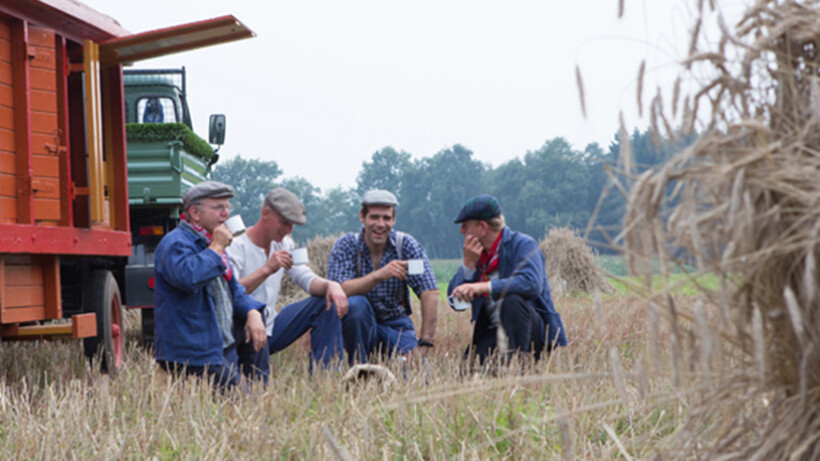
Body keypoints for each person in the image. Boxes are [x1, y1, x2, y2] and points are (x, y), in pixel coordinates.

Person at [153, 181, 267, 391]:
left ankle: (261, 386)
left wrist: (252, 312)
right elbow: (189, 278)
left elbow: (234, 289)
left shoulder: (210, 243)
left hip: (219, 344)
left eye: (227, 207)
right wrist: (216, 247)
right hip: (194, 351)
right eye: (218, 208)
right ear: (195, 213)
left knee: (259, 324)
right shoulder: (176, 244)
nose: (226, 214)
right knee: (242, 400)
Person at [226, 188, 347, 380]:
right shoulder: (236, 244)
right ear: (265, 214)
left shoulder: (285, 244)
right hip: (242, 330)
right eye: (284, 223)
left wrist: (331, 285)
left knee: (324, 302)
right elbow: (229, 292)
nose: (289, 230)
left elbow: (305, 277)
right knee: (256, 388)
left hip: (271, 328)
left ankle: (327, 378)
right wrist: (267, 269)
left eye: (292, 225)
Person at [447, 194, 568, 365]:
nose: (461, 231)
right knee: (468, 372)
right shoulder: (476, 256)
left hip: (530, 332)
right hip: (493, 331)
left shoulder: (523, 245)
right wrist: (467, 266)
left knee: (512, 299)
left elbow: (531, 284)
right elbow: (455, 303)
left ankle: (519, 364)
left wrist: (482, 287)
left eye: (465, 226)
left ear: (483, 227)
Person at [327, 189, 438, 365]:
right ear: (362, 217)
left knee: (419, 370)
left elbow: (429, 291)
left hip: (395, 325)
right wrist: (379, 275)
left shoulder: (405, 246)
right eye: (374, 217)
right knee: (357, 305)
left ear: (393, 220)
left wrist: (425, 342)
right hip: (358, 327)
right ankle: (358, 365)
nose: (380, 224)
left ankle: (394, 360)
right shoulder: (347, 245)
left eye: (386, 218)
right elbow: (340, 290)